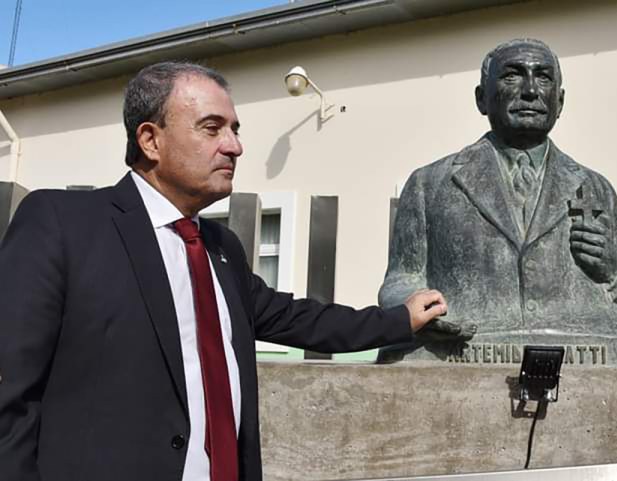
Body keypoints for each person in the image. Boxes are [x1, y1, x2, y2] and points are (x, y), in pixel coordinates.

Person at [0, 62, 448, 481]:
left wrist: (399, 320)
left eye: (234, 130)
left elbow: (297, 319)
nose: (234, 145)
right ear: (150, 140)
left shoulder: (221, 247)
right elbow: (10, 392)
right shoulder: (63, 223)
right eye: (212, 128)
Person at [379, 38, 617, 364]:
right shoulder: (429, 184)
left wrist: (614, 270)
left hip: (581, 348)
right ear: (481, 98)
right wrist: (423, 313)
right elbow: (399, 282)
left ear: (559, 102)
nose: (530, 90)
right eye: (513, 76)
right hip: (467, 343)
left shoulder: (595, 186)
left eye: (543, 77)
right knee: (406, 355)